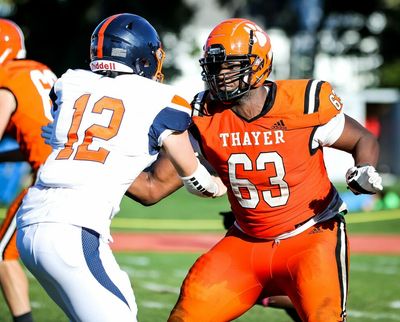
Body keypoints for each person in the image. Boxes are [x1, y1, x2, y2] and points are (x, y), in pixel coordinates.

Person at [127, 18, 383, 322]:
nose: (220, 74)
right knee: (186, 316)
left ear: (259, 64)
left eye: (230, 65)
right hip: (245, 243)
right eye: (214, 65)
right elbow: (153, 188)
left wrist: (364, 169)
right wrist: (94, 166)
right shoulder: (204, 115)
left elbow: (362, 138)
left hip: (311, 238)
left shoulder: (300, 104)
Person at [15, 13, 225, 322]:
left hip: (32, 220)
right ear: (142, 55)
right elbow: (194, 179)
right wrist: (220, 186)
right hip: (74, 229)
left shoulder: (71, 82)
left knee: (121, 307)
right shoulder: (161, 98)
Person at [0, 18, 56, 322]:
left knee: (1, 254)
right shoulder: (40, 70)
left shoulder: (5, 78)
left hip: (49, 180)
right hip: (81, 171)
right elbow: (36, 135)